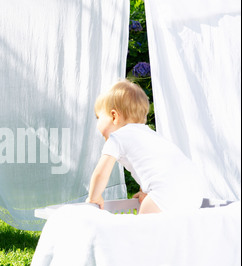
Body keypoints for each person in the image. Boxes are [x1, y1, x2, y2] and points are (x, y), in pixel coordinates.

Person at [86, 79, 203, 214]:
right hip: (193, 189)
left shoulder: (116, 137)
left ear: (114, 116)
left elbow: (101, 173)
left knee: (141, 231)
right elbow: (152, 166)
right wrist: (145, 192)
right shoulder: (150, 134)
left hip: (165, 191)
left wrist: (94, 197)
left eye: (98, 117)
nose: (97, 123)